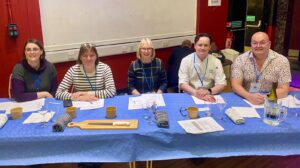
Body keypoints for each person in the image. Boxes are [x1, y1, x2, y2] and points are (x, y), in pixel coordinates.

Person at [231, 31, 291, 105]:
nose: (258, 45)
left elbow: (284, 90)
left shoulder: (282, 61)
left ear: (269, 44)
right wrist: (250, 97)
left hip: (270, 100)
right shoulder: (240, 59)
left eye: (262, 42)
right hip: (245, 98)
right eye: (254, 43)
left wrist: (264, 97)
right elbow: (235, 85)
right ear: (251, 45)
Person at [178, 33, 227, 102]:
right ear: (194, 46)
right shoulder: (186, 60)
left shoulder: (216, 62)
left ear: (210, 47)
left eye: (206, 45)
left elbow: (222, 84)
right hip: (191, 94)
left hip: (210, 94)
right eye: (200, 45)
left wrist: (208, 91)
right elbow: (182, 83)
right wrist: (196, 93)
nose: (202, 48)